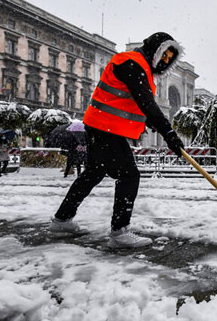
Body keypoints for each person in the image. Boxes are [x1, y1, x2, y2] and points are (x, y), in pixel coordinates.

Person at [50, 32, 185, 248]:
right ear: (155, 49)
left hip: (101, 126)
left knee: (92, 174)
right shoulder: (132, 63)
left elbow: (133, 106)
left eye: (169, 58)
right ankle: (120, 231)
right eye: (164, 55)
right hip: (105, 129)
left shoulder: (140, 68)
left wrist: (154, 126)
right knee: (129, 175)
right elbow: (147, 104)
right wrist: (168, 133)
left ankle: (62, 220)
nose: (165, 60)